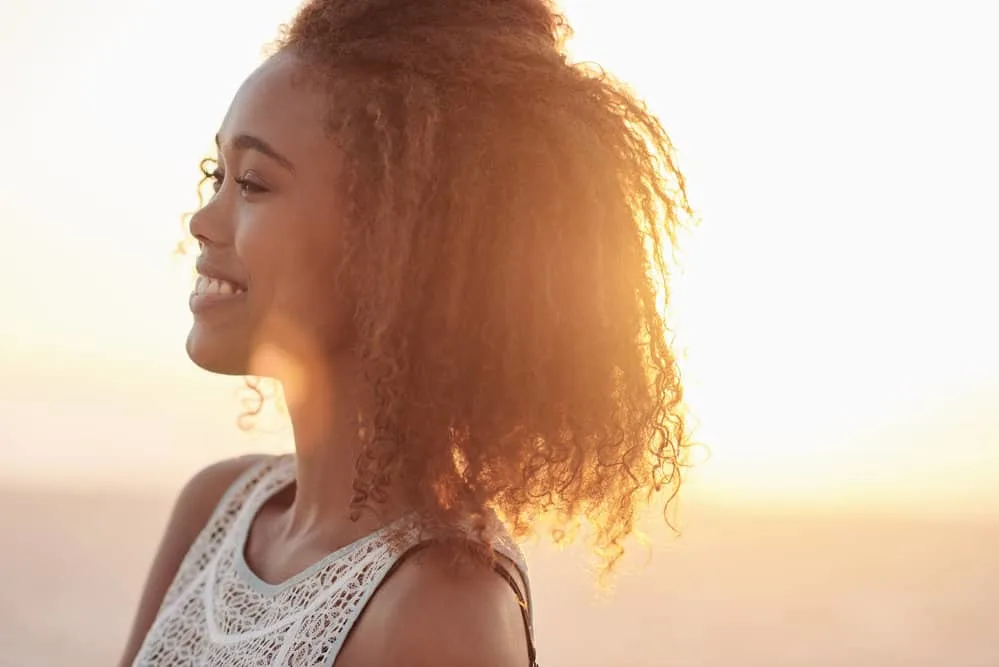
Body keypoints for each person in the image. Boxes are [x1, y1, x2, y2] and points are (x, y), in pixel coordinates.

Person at [118, 0, 691, 664]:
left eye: (251, 182)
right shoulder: (216, 508)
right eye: (216, 175)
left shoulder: (439, 612)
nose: (201, 220)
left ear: (398, 240)